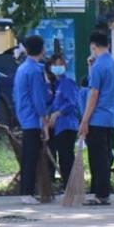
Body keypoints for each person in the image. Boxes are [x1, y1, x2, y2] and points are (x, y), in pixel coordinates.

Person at [80, 29, 114, 205]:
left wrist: (84, 120)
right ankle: (102, 193)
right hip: (110, 118)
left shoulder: (99, 67)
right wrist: (91, 67)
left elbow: (94, 94)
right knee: (105, 157)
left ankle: (101, 194)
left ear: (93, 46)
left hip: (97, 118)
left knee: (98, 159)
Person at [12, 35, 52, 202]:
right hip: (33, 119)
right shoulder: (35, 70)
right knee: (31, 157)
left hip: (23, 115)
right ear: (42, 50)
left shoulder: (21, 69)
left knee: (28, 156)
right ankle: (27, 193)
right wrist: (44, 120)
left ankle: (26, 192)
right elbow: (38, 99)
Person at [47, 49, 83, 191]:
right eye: (56, 64)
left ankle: (71, 184)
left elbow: (72, 104)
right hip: (58, 127)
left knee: (66, 156)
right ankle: (66, 183)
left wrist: (57, 113)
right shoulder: (56, 85)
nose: (58, 67)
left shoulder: (67, 83)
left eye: (61, 64)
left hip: (67, 125)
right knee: (62, 156)